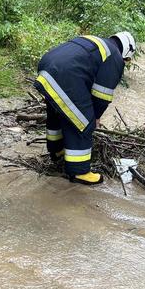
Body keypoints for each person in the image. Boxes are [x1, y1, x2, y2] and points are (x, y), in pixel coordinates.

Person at [33, 32, 136, 185]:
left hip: (47, 67)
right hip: (64, 75)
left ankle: (57, 150)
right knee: (83, 121)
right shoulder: (114, 56)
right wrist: (95, 116)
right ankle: (79, 171)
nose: (124, 62)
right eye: (126, 59)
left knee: (57, 112)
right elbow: (102, 94)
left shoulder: (97, 41)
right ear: (127, 50)